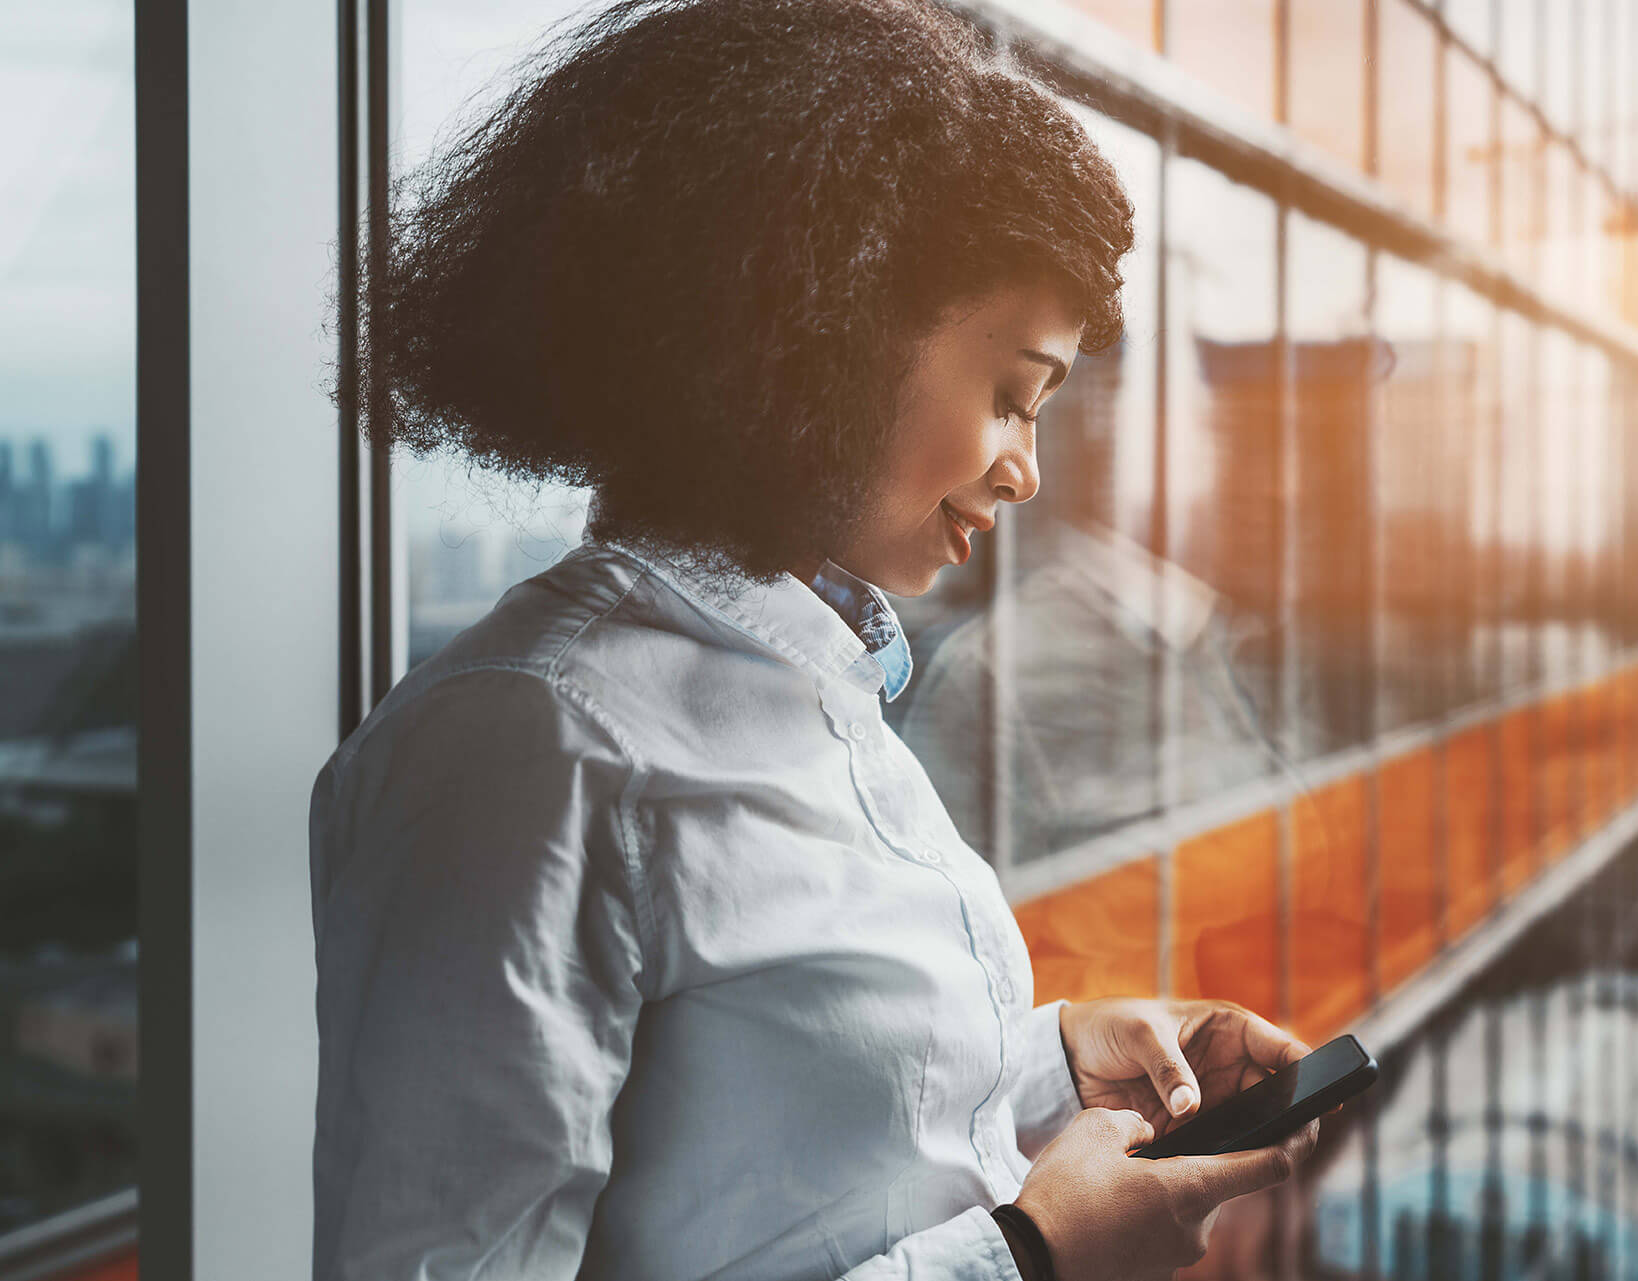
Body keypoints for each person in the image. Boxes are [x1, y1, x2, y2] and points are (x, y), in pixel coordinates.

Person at [309, 1, 1320, 1277]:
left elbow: (789, 1145)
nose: (1026, 474)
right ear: (817, 329)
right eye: (1012, 396)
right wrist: (1030, 1257)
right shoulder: (529, 749)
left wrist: (1054, 1065)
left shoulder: (815, 686)